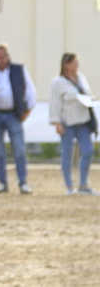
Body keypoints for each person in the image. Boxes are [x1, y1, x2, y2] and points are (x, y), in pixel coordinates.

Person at [0, 44, 37, 194]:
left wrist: (28, 110)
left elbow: (30, 90)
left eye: (2, 57)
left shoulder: (19, 70)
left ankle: (23, 182)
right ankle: (2, 183)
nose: (0, 61)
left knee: (19, 150)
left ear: (8, 56)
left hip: (14, 114)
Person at [49, 52, 96, 195]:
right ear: (66, 65)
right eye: (74, 63)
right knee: (67, 153)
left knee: (88, 150)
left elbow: (88, 93)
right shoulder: (57, 82)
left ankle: (83, 184)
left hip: (83, 121)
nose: (77, 65)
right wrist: (57, 122)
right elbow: (55, 103)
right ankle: (69, 186)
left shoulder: (81, 78)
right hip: (67, 123)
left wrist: (90, 99)